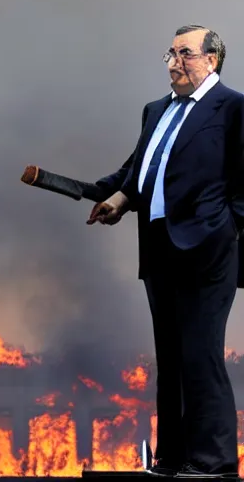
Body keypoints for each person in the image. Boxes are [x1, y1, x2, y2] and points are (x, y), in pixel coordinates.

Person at [87, 24, 244, 478]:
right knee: (171, 358)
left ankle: (214, 462)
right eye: (170, 54)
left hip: (208, 250)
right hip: (158, 249)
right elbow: (137, 169)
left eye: (185, 54)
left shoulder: (232, 107)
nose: (174, 62)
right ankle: (172, 459)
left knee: (201, 354)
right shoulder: (156, 110)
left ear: (211, 60)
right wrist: (119, 196)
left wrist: (227, 228)